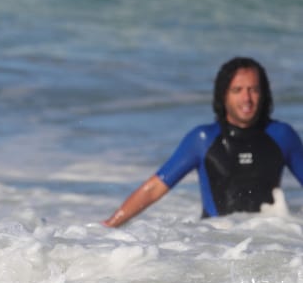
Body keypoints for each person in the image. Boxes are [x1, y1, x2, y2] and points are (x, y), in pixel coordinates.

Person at [103, 57, 303, 227]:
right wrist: (109, 226)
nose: (247, 98)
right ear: (223, 95)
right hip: (214, 243)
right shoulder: (203, 139)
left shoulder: (282, 136)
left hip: (271, 241)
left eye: (254, 89)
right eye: (237, 90)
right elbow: (154, 188)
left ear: (264, 94)